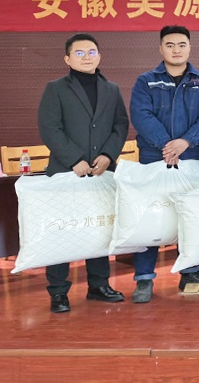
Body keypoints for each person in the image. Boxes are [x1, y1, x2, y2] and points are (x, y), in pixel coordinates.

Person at [37, 33, 129, 314]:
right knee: (61, 231)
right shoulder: (55, 88)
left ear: (99, 56)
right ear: (67, 58)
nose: (86, 57)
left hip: (101, 172)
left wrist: (108, 155)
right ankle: (58, 291)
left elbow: (120, 125)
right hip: (66, 173)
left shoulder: (111, 89)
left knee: (98, 228)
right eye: (79, 53)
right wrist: (74, 159)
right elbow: (50, 127)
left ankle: (99, 285)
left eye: (91, 52)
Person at [129, 25, 199, 303]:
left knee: (190, 218)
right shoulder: (146, 81)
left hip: (192, 158)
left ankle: (191, 272)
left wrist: (186, 142)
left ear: (190, 47)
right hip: (154, 159)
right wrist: (167, 145)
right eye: (170, 45)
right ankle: (144, 278)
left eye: (181, 44)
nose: (176, 50)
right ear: (161, 49)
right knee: (150, 217)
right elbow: (141, 115)